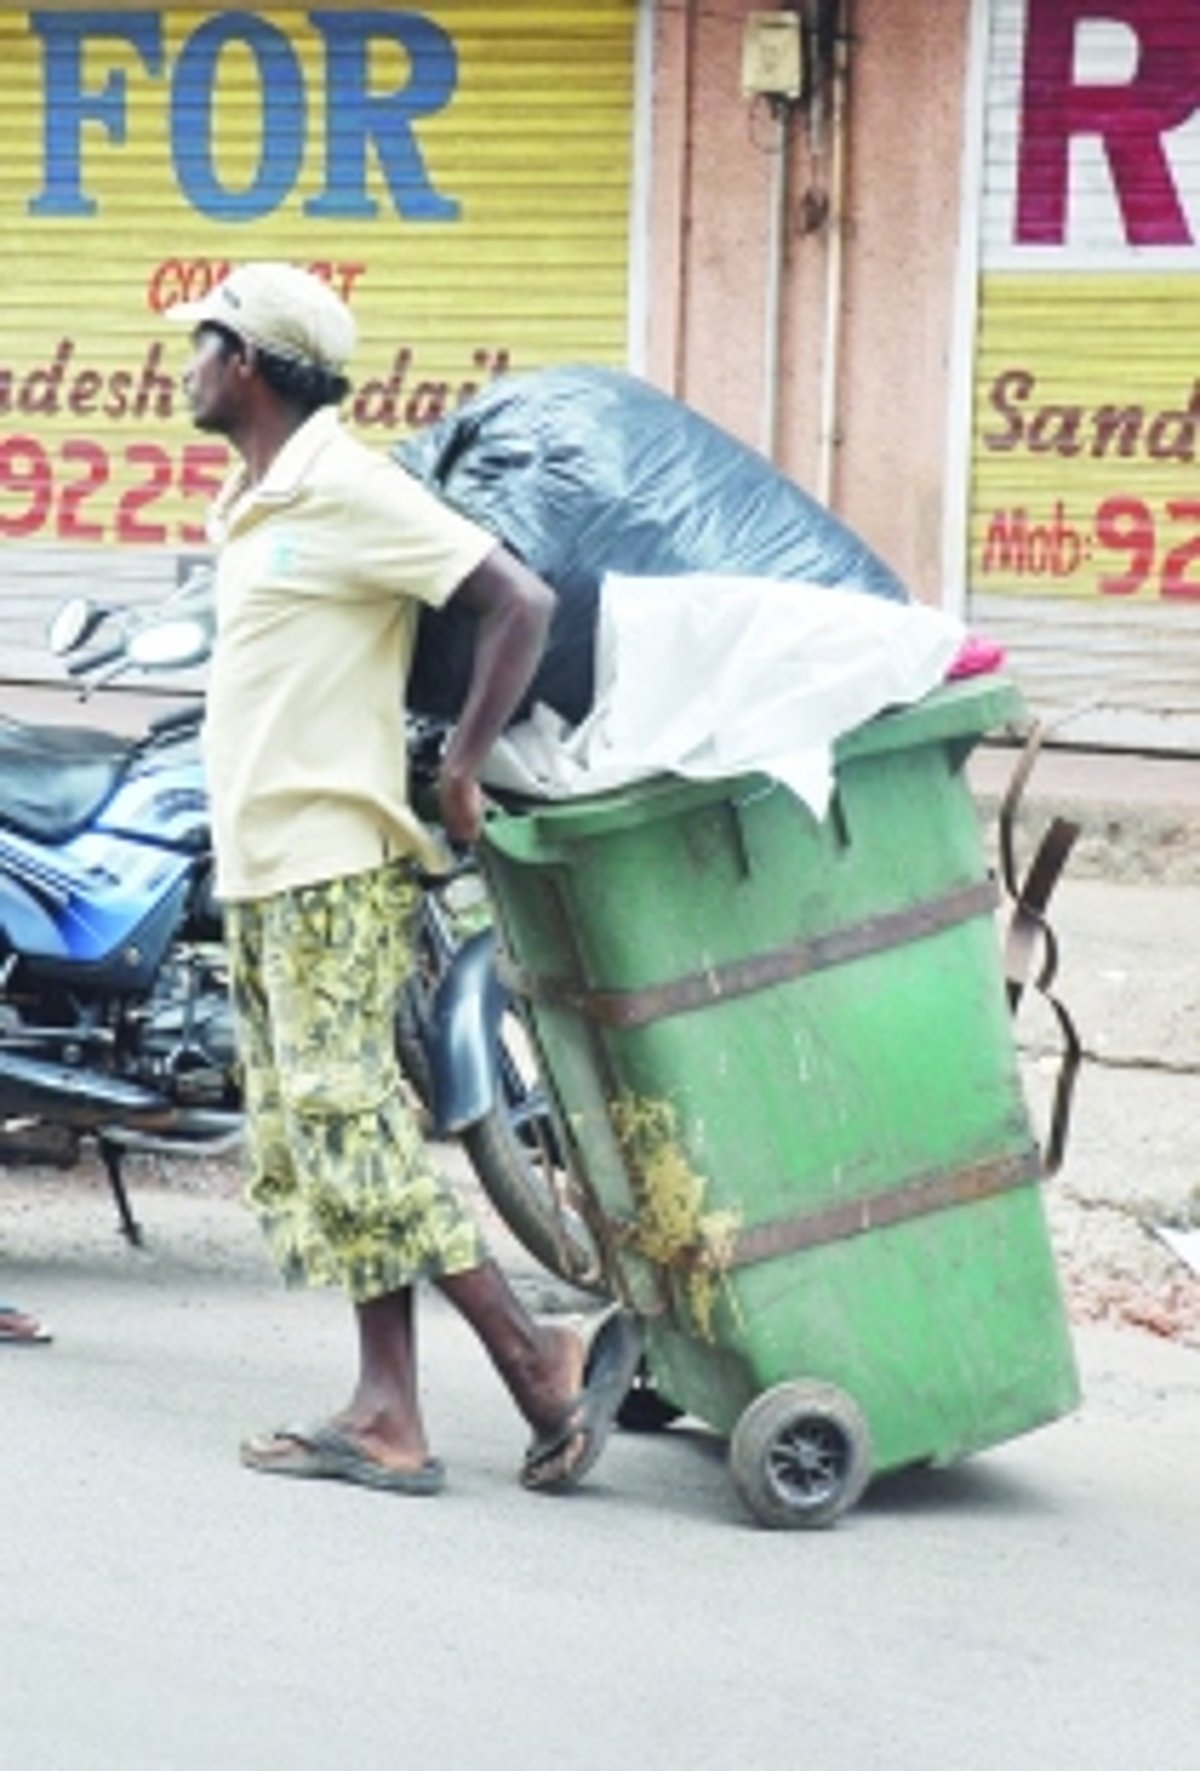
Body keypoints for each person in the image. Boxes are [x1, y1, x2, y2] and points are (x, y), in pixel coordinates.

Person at [164, 262, 641, 1496]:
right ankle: (388, 1411)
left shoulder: (346, 483)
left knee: (352, 1126)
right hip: (269, 867)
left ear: (252, 362)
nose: (188, 364)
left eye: (204, 342)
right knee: (317, 1141)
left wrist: (464, 767)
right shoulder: (259, 497)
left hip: (333, 861)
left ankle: (539, 1356)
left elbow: (515, 601)